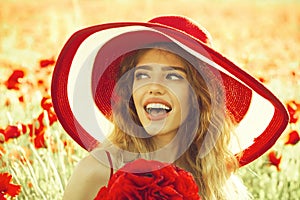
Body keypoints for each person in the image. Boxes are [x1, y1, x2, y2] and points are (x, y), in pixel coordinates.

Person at [51, 16, 289, 200]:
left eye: (173, 77)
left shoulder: (216, 177)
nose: (154, 87)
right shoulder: (99, 169)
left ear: (198, 96)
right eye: (142, 75)